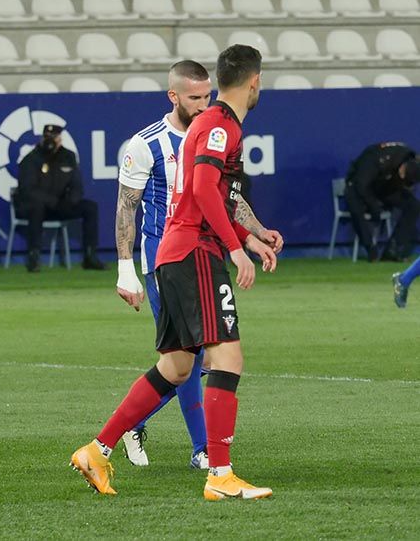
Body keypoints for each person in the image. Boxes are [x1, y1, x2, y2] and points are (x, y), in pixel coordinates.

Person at [72, 44, 278, 500]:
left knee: (178, 366)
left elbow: (210, 195)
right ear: (255, 81)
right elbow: (203, 189)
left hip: (175, 252)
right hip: (195, 252)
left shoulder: (208, 125)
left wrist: (251, 236)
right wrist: (235, 249)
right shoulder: (221, 126)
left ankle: (96, 450)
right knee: (227, 358)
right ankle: (219, 474)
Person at [116, 61, 283, 470]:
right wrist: (125, 270)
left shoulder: (209, 129)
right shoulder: (145, 144)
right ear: (173, 96)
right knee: (194, 360)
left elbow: (223, 198)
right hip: (166, 260)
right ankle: (202, 449)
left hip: (202, 254)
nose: (203, 103)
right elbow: (126, 208)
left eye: (207, 95)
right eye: (194, 97)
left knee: (195, 360)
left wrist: (256, 232)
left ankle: (131, 425)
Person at [14, 124, 105, 272]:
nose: (50, 140)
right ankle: (34, 257)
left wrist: (71, 201)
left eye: (54, 137)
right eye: (47, 137)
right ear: (42, 138)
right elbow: (27, 189)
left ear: (60, 139)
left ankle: (90, 256)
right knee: (36, 207)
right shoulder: (30, 159)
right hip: (39, 207)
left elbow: (77, 185)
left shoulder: (68, 156)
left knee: (90, 207)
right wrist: (51, 201)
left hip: (61, 205)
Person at [344, 143, 419, 262]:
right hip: (358, 186)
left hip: (383, 186)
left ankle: (393, 250)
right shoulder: (376, 159)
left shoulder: (411, 159)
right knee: (355, 205)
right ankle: (370, 248)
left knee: (413, 205)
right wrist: (374, 206)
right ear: (402, 170)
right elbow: (361, 186)